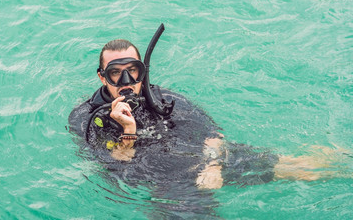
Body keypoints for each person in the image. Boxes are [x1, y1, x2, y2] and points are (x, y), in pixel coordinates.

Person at [69, 27, 350, 192]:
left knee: (301, 167)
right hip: (170, 182)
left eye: (133, 70)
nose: (127, 81)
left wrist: (213, 165)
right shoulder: (87, 117)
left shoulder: (161, 97)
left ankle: (344, 163)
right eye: (116, 73)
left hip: (203, 162)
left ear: (144, 71)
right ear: (102, 76)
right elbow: (120, 167)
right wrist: (128, 130)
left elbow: (211, 132)